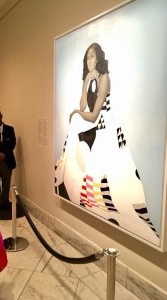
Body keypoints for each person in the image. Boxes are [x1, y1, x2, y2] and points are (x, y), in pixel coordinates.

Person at [55, 42, 159, 244]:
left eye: (92, 56)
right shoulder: (90, 78)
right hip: (93, 124)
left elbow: (93, 116)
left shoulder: (105, 79)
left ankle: (99, 199)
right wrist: (85, 82)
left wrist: (77, 113)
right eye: (87, 58)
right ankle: (75, 188)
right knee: (76, 128)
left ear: (99, 59)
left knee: (107, 176)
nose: (90, 60)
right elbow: (83, 105)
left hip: (105, 127)